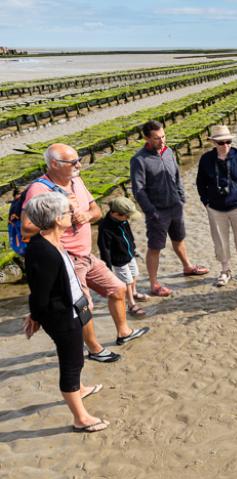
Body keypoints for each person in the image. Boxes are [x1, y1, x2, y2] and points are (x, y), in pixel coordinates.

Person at [22, 144, 148, 361]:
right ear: (54, 164)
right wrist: (63, 215)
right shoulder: (39, 190)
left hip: (87, 254)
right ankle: (95, 349)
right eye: (73, 162)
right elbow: (27, 227)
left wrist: (86, 216)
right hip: (67, 258)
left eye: (78, 159)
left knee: (117, 289)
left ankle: (123, 332)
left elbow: (96, 210)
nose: (79, 165)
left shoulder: (76, 181)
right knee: (83, 306)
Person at [22, 192, 109, 432]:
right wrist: (36, 317)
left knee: (78, 355)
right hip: (61, 315)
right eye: (66, 212)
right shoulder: (42, 251)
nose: (71, 215)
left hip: (74, 305)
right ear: (55, 218)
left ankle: (79, 389)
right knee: (71, 362)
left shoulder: (56, 241)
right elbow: (39, 293)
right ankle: (80, 418)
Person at [130, 119, 209, 297]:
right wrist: (151, 211)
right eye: (157, 138)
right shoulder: (139, 160)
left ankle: (187, 267)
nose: (162, 141)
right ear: (147, 138)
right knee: (155, 247)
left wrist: (181, 197)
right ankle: (153, 284)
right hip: (157, 211)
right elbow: (138, 189)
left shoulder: (168, 151)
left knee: (179, 239)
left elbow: (177, 175)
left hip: (175, 206)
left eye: (163, 136)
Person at [195, 124, 237, 287]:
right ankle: (225, 271)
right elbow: (200, 182)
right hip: (215, 208)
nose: (225, 146)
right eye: (221, 143)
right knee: (220, 241)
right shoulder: (206, 159)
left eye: (228, 141)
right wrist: (206, 202)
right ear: (213, 143)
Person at [98, 196, 147, 318]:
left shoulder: (123, 220)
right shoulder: (105, 228)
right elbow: (105, 249)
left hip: (129, 254)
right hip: (119, 260)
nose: (128, 219)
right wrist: (108, 268)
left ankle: (134, 292)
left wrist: (133, 248)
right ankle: (131, 303)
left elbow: (128, 235)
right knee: (127, 281)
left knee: (135, 274)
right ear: (115, 213)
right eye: (126, 216)